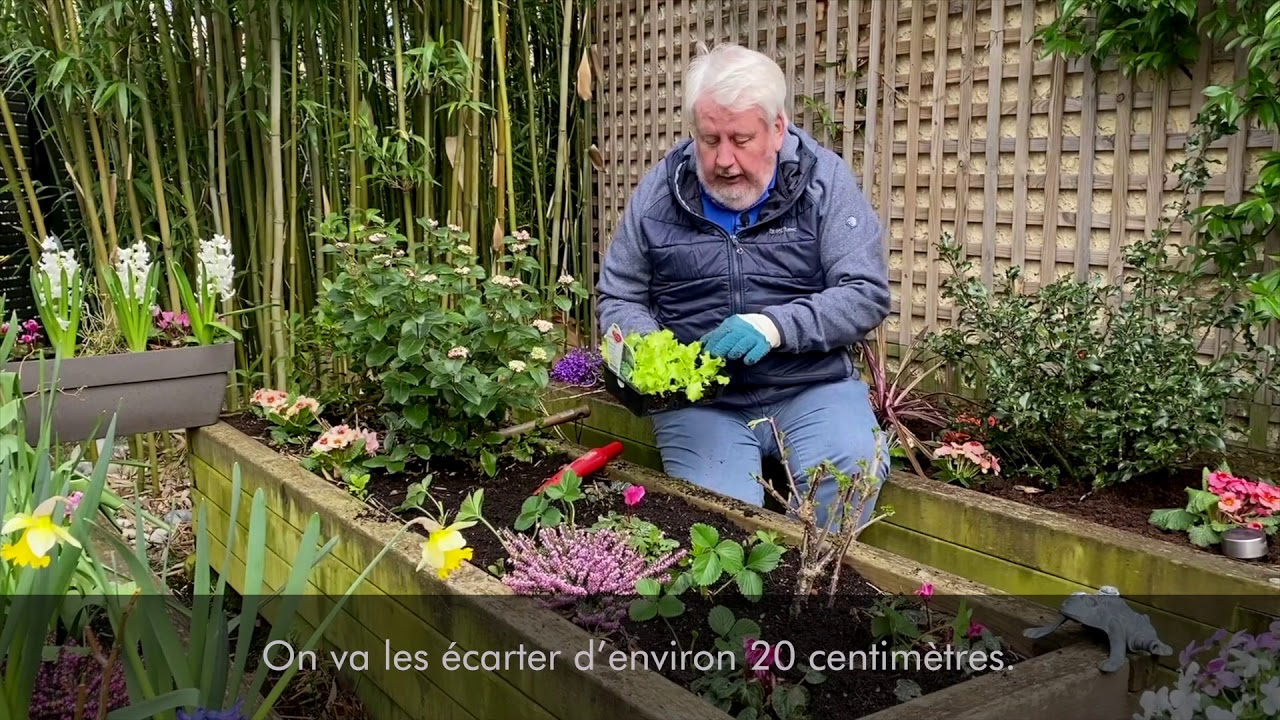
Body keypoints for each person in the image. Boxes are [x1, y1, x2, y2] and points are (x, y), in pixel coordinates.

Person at [595, 43, 892, 532]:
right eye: (709, 139)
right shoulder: (659, 193)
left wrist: (774, 326)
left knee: (846, 476)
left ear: (777, 129)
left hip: (811, 385)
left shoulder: (825, 182)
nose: (723, 160)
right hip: (703, 401)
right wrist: (644, 346)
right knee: (722, 521)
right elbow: (621, 293)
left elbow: (864, 291)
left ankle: (817, 593)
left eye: (740, 138)